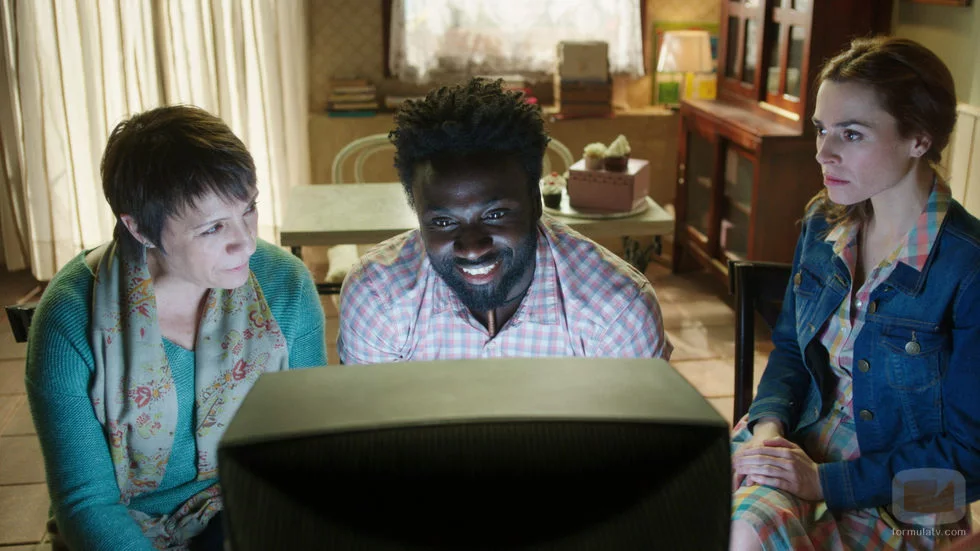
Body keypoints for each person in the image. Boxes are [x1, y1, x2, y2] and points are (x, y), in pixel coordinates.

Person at [25, 105, 327, 551]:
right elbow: (86, 503)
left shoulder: (286, 284)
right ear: (139, 228)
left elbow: (308, 448)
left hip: (248, 506)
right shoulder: (69, 318)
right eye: (212, 228)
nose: (245, 241)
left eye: (248, 209)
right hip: (124, 527)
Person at [730, 36, 980, 549]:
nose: (823, 152)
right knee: (713, 520)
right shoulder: (823, 221)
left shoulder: (969, 268)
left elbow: (971, 459)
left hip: (914, 491)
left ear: (919, 139)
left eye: (851, 133)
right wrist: (768, 431)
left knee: (747, 533)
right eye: (821, 129)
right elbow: (790, 349)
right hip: (799, 440)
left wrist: (825, 483)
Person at [337, 78, 672, 363]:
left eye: (495, 215)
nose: (472, 247)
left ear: (535, 203)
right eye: (443, 222)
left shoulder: (618, 313)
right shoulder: (377, 297)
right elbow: (373, 422)